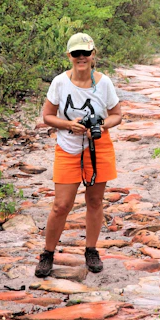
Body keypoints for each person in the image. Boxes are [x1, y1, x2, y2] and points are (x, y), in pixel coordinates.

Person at [35, 32, 122, 277]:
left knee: (94, 201)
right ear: (69, 56)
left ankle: (91, 250)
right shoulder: (60, 82)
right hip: (68, 146)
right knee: (61, 205)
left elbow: (118, 114)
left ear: (93, 55)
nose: (81, 57)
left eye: (85, 53)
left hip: (98, 146)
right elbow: (47, 116)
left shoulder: (104, 83)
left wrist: (102, 124)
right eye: (76, 53)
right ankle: (47, 253)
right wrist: (67, 124)